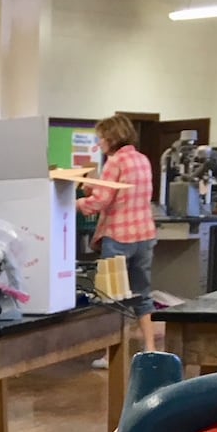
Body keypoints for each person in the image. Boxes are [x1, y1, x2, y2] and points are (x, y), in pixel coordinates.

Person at [77, 113, 158, 356]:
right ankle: (151, 347)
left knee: (111, 296)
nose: (99, 143)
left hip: (119, 236)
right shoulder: (143, 160)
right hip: (144, 234)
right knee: (141, 293)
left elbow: (100, 202)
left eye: (101, 138)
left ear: (111, 137)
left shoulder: (114, 163)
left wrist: (76, 203)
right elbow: (124, 194)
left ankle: (111, 353)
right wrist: (95, 188)